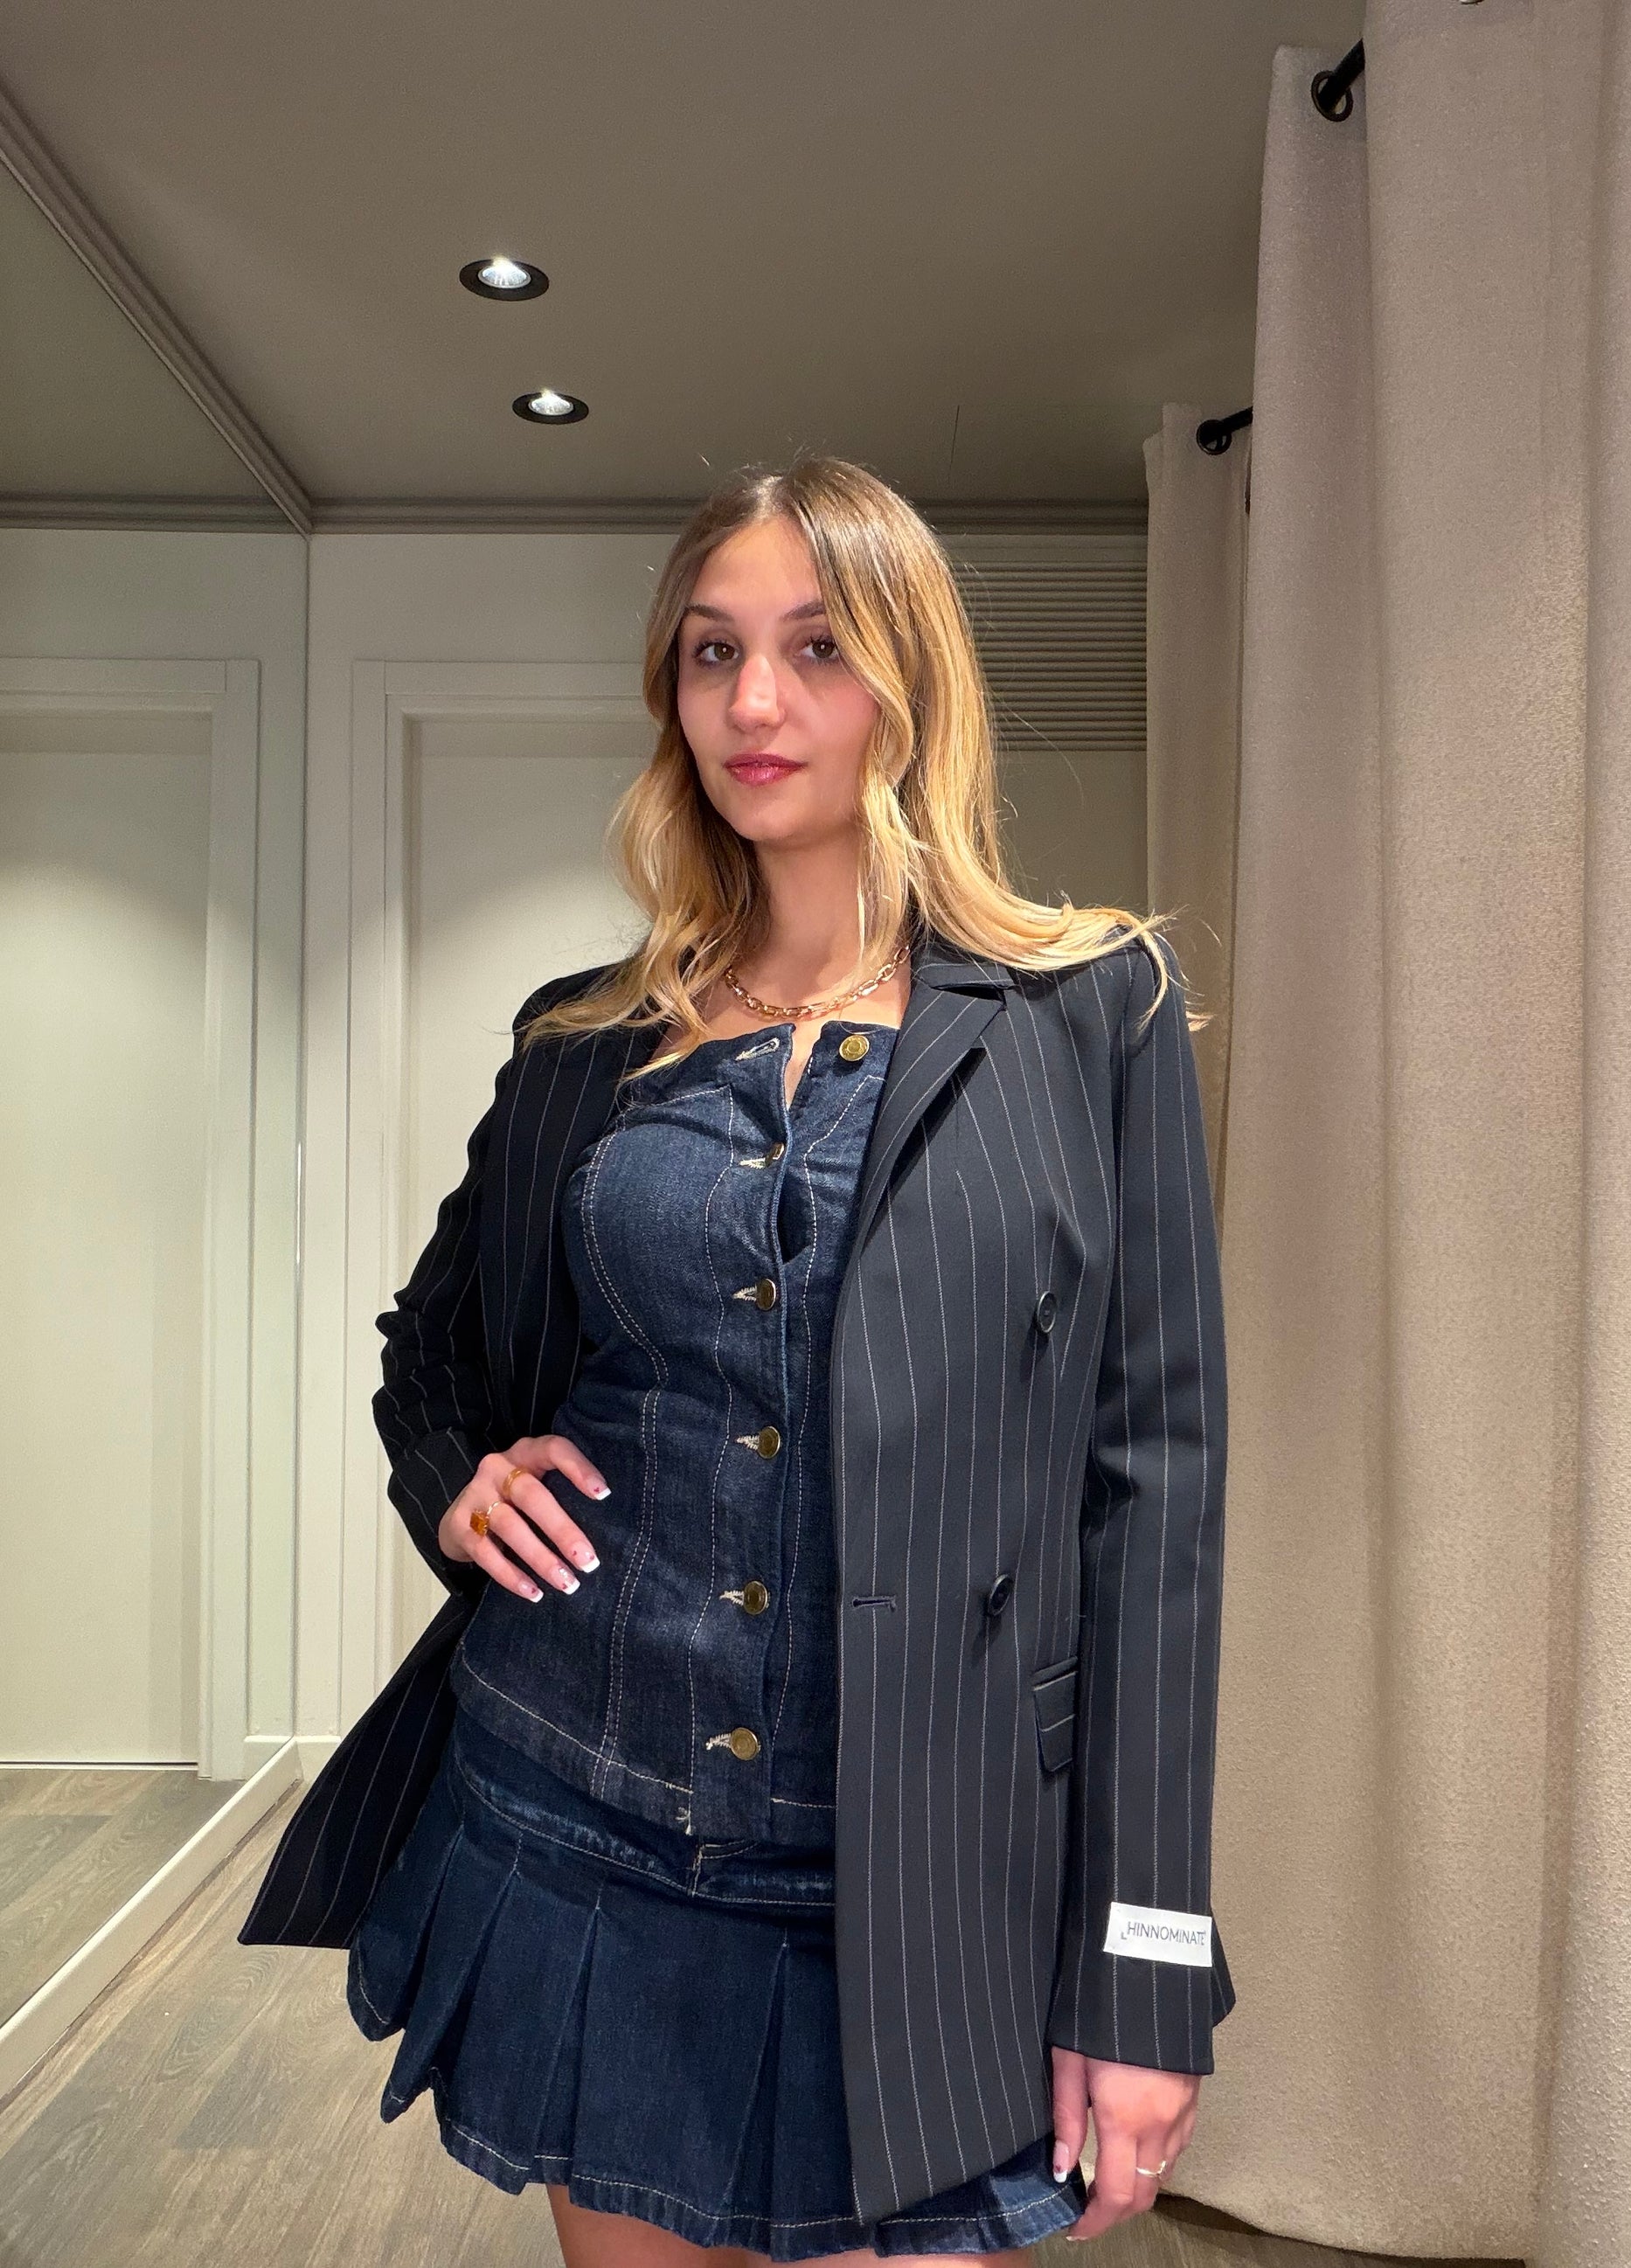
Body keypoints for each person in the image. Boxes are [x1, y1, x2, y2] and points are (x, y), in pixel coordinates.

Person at [344, 453, 1234, 2265]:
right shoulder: (587, 1040)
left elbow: (1156, 1498)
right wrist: (459, 1485)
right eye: (712, 650)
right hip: (584, 1826)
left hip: (927, 1884)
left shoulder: (1090, 1012)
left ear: (910, 680)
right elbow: (430, 1346)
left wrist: (1141, 1968)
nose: (755, 700)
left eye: (817, 646)